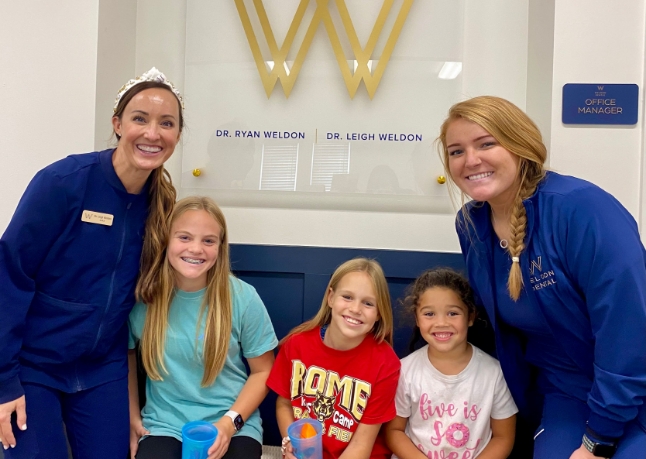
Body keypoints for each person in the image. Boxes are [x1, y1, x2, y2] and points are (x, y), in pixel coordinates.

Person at [438, 95, 646, 458]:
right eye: (456, 151)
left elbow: (627, 333)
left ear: (521, 145)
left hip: (632, 390)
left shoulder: (582, 209)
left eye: (487, 143)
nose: (471, 160)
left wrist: (597, 440)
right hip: (565, 392)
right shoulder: (470, 224)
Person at [0, 67, 183, 459]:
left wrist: (134, 409)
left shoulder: (162, 205)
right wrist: (3, 383)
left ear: (177, 136)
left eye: (166, 123)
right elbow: (9, 276)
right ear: (118, 124)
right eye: (140, 119)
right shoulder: (63, 183)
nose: (153, 133)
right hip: (33, 367)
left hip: (103, 370)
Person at [128, 196, 277, 459]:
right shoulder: (144, 298)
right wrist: (132, 418)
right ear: (166, 240)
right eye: (184, 237)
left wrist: (229, 424)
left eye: (208, 241)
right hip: (165, 424)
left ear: (220, 247)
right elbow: (126, 357)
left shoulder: (243, 297)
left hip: (233, 423)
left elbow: (264, 371)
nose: (196, 249)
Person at [266, 258, 401, 459]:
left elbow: (361, 444)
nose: (355, 309)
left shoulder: (386, 363)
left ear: (379, 312)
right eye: (347, 297)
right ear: (330, 298)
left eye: (368, 303)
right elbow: (284, 404)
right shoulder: (296, 344)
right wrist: (290, 443)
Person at [384, 268, 517, 459]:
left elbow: (503, 437)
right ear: (417, 319)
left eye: (453, 313)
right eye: (429, 314)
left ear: (470, 317)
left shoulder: (494, 374)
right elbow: (394, 431)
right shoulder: (405, 371)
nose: (441, 323)